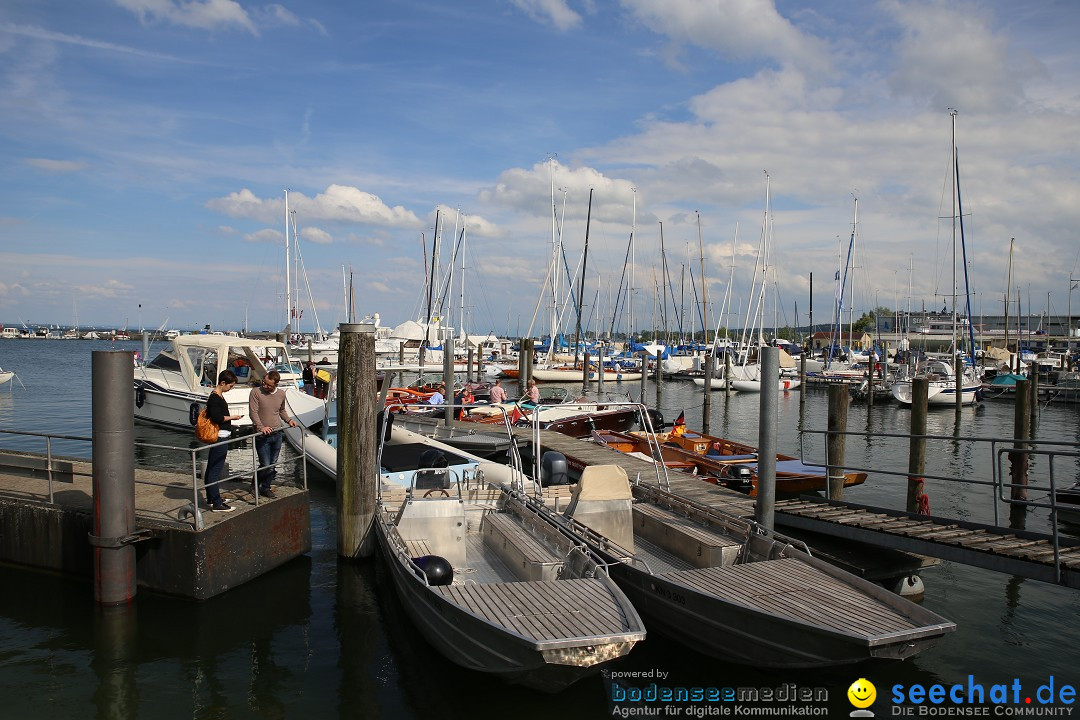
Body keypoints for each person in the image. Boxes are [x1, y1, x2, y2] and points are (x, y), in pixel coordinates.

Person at [249, 370, 298, 499]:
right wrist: (261, 427)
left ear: (275, 384)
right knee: (265, 464)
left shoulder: (281, 394)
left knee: (273, 463)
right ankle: (254, 485)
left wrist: (289, 420)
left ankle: (266, 487)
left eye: (268, 385)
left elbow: (281, 410)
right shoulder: (256, 392)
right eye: (264, 383)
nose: (265, 386)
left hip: (277, 433)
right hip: (261, 434)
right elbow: (253, 412)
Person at [204, 369, 244, 512]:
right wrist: (233, 418)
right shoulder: (215, 398)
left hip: (222, 435)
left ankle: (211, 497)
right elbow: (217, 418)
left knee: (211, 468)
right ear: (223, 383)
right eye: (230, 386)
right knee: (215, 470)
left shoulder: (218, 396)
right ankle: (216, 503)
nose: (230, 388)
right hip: (220, 436)